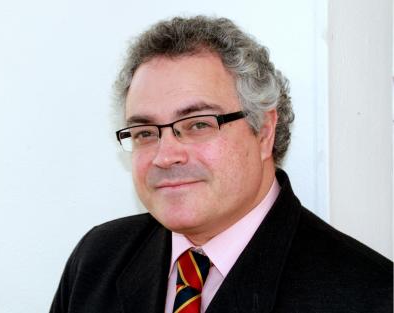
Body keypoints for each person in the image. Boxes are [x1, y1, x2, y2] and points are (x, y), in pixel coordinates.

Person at [50, 16, 392, 313]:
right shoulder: (97, 261)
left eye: (198, 124)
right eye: (144, 132)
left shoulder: (370, 296)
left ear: (264, 132)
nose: (165, 156)